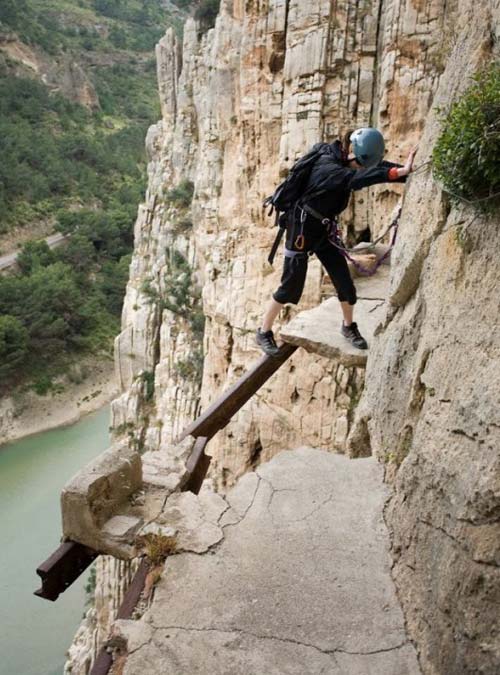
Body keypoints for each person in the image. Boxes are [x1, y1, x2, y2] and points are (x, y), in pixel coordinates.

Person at [256, 128, 417, 356]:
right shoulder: (329, 168)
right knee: (290, 285)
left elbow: (373, 168)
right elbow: (358, 178)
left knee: (345, 283)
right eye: (360, 164)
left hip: (323, 230)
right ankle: (263, 331)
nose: (360, 168)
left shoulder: (347, 158)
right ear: (353, 154)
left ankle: (348, 326)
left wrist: (404, 172)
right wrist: (397, 173)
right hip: (301, 229)